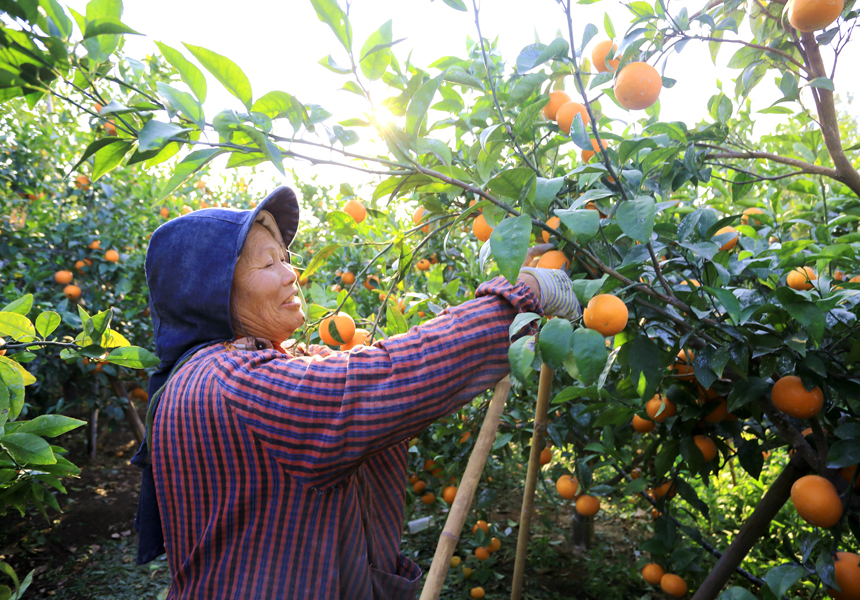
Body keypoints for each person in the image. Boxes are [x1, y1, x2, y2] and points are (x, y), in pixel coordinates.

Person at [131, 186, 580, 599]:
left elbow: (392, 356)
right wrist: (518, 299)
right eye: (268, 264)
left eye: (285, 258)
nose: (291, 274)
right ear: (210, 292)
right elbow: (384, 378)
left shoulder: (235, 366)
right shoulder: (230, 383)